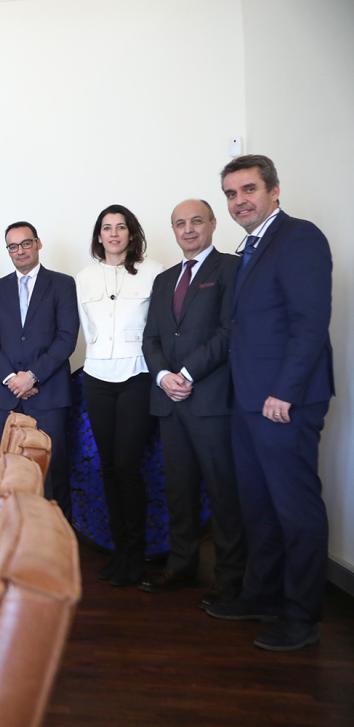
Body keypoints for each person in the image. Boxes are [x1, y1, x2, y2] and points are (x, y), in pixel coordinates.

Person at [204, 155, 333, 652]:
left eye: (249, 190)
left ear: (274, 191)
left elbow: (309, 323)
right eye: (232, 194)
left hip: (284, 401)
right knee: (257, 506)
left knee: (294, 507)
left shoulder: (299, 238)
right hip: (248, 400)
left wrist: (285, 392)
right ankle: (262, 595)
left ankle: (301, 616)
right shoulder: (250, 247)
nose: (240, 201)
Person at [140, 200, 245, 600]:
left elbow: (228, 331)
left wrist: (186, 373)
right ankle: (181, 566)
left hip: (211, 401)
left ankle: (231, 579)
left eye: (196, 221)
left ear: (213, 224)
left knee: (223, 492)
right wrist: (164, 375)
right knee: (179, 491)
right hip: (170, 402)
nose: (188, 229)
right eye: (180, 223)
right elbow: (151, 337)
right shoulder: (165, 279)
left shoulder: (231, 270)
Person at [77, 204, 162, 586]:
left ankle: (136, 552)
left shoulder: (153, 272)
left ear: (131, 234)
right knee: (108, 467)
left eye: (121, 227)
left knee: (128, 466)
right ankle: (119, 551)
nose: (113, 234)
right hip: (97, 377)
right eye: (107, 228)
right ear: (98, 235)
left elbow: (158, 327)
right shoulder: (83, 278)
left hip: (136, 376)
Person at [0, 223, 79, 517]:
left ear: (38, 244)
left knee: (52, 471)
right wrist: (13, 380)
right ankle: (16, 535)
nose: (20, 251)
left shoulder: (62, 284)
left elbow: (66, 338)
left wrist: (32, 376)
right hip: (7, 396)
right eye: (13, 246)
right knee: (14, 471)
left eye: (25, 243)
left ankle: (54, 539)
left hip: (49, 394)